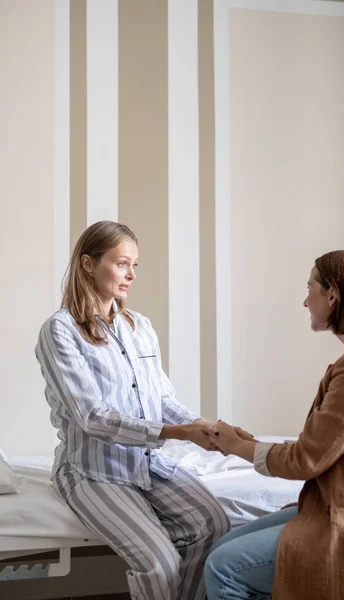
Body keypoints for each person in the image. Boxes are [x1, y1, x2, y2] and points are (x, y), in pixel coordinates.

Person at [35, 221, 231, 600]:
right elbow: (92, 416)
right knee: (160, 563)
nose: (131, 275)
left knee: (214, 524)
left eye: (135, 266)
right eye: (123, 263)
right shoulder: (59, 331)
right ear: (89, 264)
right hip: (93, 471)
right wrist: (177, 434)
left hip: (145, 463)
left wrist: (200, 426)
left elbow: (161, 399)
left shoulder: (139, 326)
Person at [205, 250, 344, 600]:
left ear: (332, 295)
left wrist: (235, 446)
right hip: (343, 501)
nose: (304, 300)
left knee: (223, 567)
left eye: (309, 287)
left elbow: (307, 459)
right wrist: (249, 444)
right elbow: (330, 442)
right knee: (225, 545)